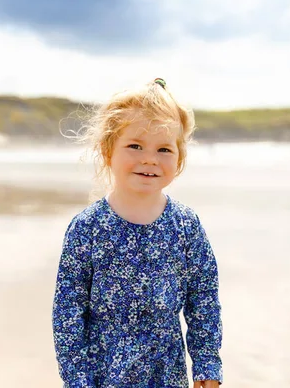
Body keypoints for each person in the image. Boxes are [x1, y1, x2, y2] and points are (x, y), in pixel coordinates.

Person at [52, 78, 223, 388]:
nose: (149, 159)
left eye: (164, 149)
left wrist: (207, 364)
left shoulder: (185, 226)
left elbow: (204, 300)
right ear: (108, 151)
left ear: (179, 160)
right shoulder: (87, 228)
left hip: (166, 374)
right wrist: (77, 380)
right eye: (135, 146)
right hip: (103, 375)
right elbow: (68, 312)